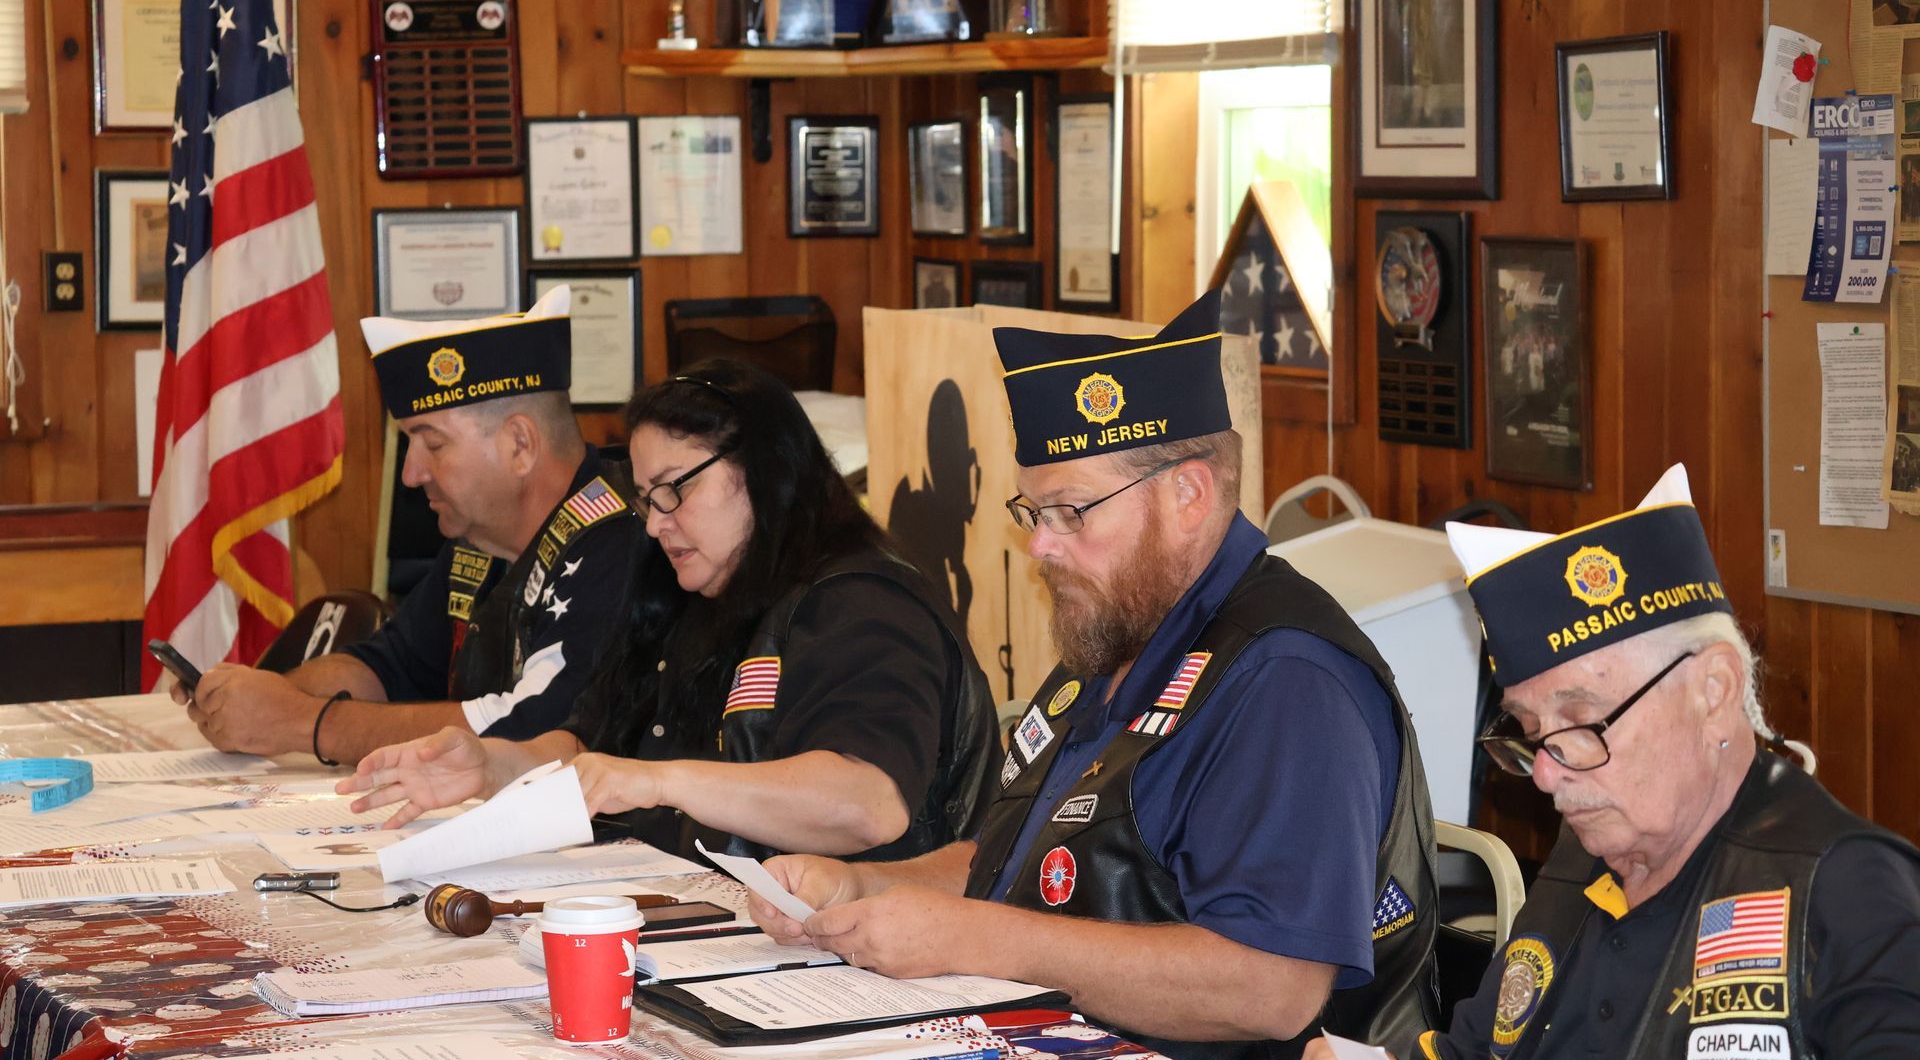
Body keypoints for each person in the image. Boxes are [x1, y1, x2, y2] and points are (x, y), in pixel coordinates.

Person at [749, 291, 1441, 1059]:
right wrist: (867, 890)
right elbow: (1017, 863)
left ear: (1189, 495)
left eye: (1072, 512)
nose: (1041, 548)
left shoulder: (1287, 680)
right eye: (1034, 512)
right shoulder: (1115, 637)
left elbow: (1273, 989)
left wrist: (979, 940)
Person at [1303, 465, 1920, 1060]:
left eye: (1581, 720)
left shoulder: (1844, 886)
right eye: (1530, 730)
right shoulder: (1588, 858)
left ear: (1714, 691)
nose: (1546, 772)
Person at [340, 360, 1001, 862]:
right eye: (645, 497)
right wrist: (494, 766)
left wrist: (661, 782)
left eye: (675, 490)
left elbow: (868, 804)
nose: (655, 526)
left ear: (767, 471)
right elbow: (592, 747)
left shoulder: (863, 606)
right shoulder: (693, 588)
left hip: (869, 963)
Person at [168, 287, 646, 768]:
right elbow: (390, 666)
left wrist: (299, 723)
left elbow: (531, 731)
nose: (410, 474)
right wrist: (256, 699)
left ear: (519, 444)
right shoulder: (478, 544)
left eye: (432, 444)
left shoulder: (617, 540)